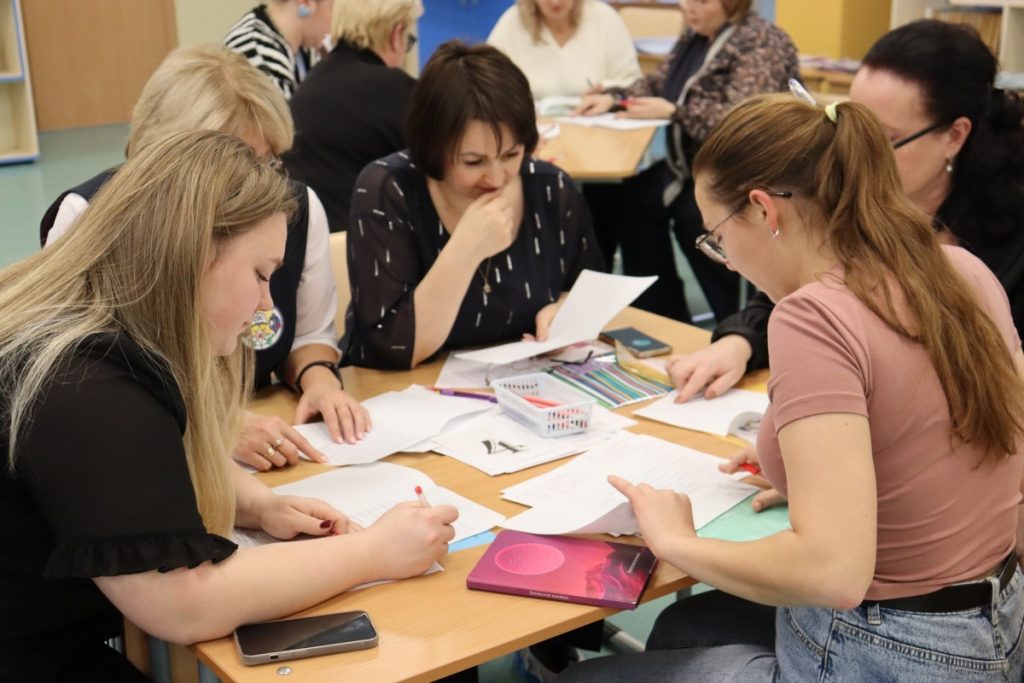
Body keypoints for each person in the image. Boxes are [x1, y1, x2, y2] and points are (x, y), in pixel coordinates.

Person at [561, 92, 1024, 682]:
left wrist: (676, 542)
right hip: (992, 625)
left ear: (763, 210)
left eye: (716, 238)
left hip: (888, 647)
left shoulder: (812, 315)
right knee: (686, 627)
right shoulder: (961, 270)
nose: (726, 261)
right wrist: (819, 473)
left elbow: (834, 573)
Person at [0, 130, 458, 682]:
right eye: (261, 275)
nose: (265, 305)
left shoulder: (91, 334)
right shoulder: (91, 385)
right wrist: (376, 551)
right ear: (194, 256)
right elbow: (183, 603)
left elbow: (130, 483)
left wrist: (256, 505)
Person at [39, 45, 368, 471]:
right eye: (233, 166)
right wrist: (216, 423)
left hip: (267, 448)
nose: (258, 186)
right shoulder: (89, 218)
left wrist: (319, 381)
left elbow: (308, 335)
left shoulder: (296, 212)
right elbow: (74, 381)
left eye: (268, 162)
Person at [668, 19, 1024, 404]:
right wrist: (741, 341)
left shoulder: (998, 243)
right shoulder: (849, 194)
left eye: (883, 137)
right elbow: (801, 281)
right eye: (851, 124)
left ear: (954, 136)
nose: (855, 150)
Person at [344, 41, 604, 369]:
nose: (496, 177)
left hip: (521, 386)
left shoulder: (551, 189)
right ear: (434, 148)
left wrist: (565, 313)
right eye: (473, 161)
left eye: (511, 154)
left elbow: (592, 292)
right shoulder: (387, 190)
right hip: (399, 390)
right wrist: (466, 249)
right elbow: (392, 346)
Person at [574, 0, 797, 322]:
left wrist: (676, 112)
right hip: (690, 168)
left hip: (740, 174)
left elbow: (742, 120)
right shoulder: (695, 37)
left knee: (695, 216)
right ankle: (661, 315)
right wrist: (615, 97)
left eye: (701, 1)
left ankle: (738, 319)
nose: (688, 7)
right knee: (621, 197)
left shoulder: (762, 41)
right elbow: (658, 83)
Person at [284, 0, 422, 233]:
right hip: (367, 242)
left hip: (306, 241)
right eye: (408, 41)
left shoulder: (308, 86)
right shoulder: (396, 91)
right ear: (396, 35)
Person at [487, 0, 642, 100]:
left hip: (601, 128)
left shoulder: (605, 18)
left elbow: (633, 84)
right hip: (534, 130)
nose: (555, 2)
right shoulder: (512, 22)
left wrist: (609, 95)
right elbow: (487, 84)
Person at [224, 0, 333, 99]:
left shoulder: (305, 46)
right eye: (331, 9)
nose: (334, 22)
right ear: (305, 3)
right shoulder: (257, 55)